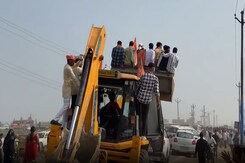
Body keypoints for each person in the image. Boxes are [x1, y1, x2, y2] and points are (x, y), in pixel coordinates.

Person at [51, 55, 80, 126]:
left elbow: (75, 66)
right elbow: (74, 78)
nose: (74, 62)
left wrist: (80, 59)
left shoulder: (68, 67)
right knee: (66, 105)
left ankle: (62, 122)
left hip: (67, 88)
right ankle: (55, 119)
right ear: (69, 61)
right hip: (66, 89)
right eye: (73, 61)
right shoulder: (68, 69)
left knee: (67, 106)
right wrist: (79, 86)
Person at [135, 62, 160, 137]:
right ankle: (143, 135)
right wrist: (158, 102)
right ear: (153, 69)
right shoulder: (155, 79)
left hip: (139, 99)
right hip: (147, 101)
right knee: (145, 118)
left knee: (138, 116)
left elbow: (138, 85)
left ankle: (136, 132)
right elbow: (157, 92)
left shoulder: (143, 76)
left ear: (148, 68)